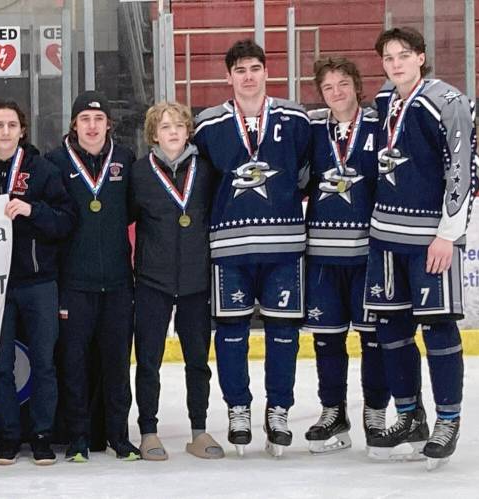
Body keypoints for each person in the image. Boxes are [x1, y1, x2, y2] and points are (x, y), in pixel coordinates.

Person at [364, 27, 477, 470]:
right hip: (385, 238)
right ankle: (410, 416)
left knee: (438, 329)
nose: (395, 64)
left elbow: (462, 169)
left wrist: (448, 234)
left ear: (422, 57)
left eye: (403, 55)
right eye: (388, 57)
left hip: (430, 241)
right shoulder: (383, 102)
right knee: (391, 332)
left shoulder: (448, 101)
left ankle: (448, 420)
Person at [193, 39, 311, 458]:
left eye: (254, 68)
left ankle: (278, 410)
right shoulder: (207, 125)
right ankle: (238, 409)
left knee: (284, 332)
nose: (248, 76)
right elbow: (200, 184)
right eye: (239, 69)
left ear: (266, 72)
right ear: (228, 76)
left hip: (284, 247)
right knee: (231, 332)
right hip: (229, 249)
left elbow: (305, 174)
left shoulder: (296, 118)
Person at [0, 100, 76, 466]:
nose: (4, 131)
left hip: (38, 282)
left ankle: (43, 436)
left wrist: (33, 210)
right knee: (0, 365)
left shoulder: (43, 170)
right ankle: (9, 436)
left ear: (22, 130)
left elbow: (66, 221)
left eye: (11, 125)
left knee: (44, 363)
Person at [302, 57, 389, 455]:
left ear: (357, 85)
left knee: (373, 337)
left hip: (367, 252)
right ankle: (333, 411)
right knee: (327, 338)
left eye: (342, 84)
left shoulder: (378, 127)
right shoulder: (313, 131)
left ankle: (375, 411)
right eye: (328, 87)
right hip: (321, 253)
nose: (336, 93)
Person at [45, 90, 138, 462]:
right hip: (74, 284)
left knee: (117, 365)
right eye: (85, 119)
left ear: (108, 124)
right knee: (75, 365)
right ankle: (79, 437)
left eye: (98, 119)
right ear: (74, 124)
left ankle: (119, 436)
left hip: (117, 282)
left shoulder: (127, 160)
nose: (92, 125)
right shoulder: (54, 162)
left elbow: (131, 211)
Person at [129, 100, 223, 460]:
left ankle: (198, 430)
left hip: (196, 283)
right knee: (148, 360)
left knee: (197, 360)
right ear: (154, 133)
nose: (172, 132)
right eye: (165, 127)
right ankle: (149, 431)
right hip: (153, 281)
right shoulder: (139, 173)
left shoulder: (207, 170)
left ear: (188, 131)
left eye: (179, 126)